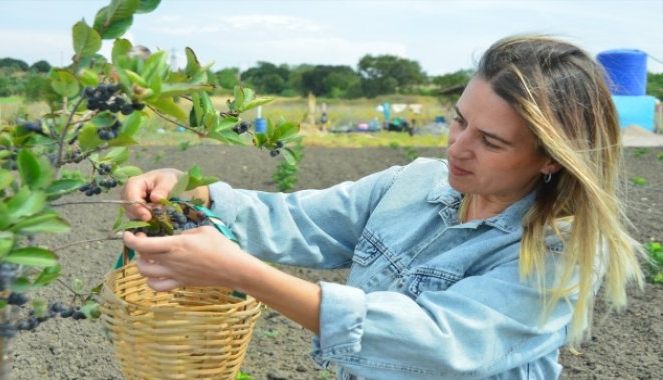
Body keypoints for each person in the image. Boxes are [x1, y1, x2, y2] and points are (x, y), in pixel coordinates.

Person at [121, 35, 646, 379]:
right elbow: (301, 220)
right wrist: (194, 193)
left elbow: (434, 341)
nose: (456, 147)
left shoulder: (556, 253)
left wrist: (245, 275)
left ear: (551, 160)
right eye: (459, 120)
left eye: (491, 141)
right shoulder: (414, 184)